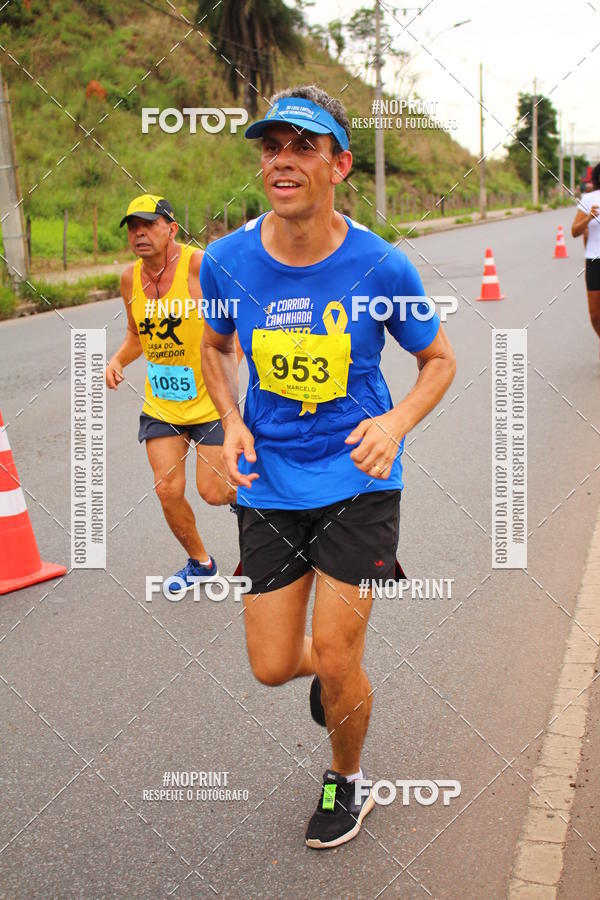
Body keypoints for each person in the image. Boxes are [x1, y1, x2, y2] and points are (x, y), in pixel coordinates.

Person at [200, 86, 456, 848]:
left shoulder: (381, 266)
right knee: (274, 666)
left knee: (340, 654)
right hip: (270, 482)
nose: (283, 159)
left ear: (339, 164)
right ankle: (337, 684)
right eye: (273, 146)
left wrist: (396, 420)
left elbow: (437, 361)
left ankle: (347, 781)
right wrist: (232, 420)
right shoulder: (227, 260)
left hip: (358, 480)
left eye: (304, 146)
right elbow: (214, 348)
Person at [106, 193, 235, 591]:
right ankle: (201, 563)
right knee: (167, 490)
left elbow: (237, 315)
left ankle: (258, 499)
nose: (139, 233)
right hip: (163, 403)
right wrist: (117, 360)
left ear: (172, 228)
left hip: (212, 400)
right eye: (132, 227)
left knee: (213, 491)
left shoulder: (199, 266)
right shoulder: (130, 278)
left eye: (148, 224)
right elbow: (136, 334)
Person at [572, 162, 600, 352]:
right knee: (595, 315)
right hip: (594, 260)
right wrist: (588, 218)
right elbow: (574, 231)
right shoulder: (589, 199)